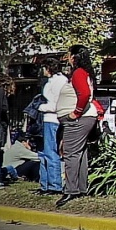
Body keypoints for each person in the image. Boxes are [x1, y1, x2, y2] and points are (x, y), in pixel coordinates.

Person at [57, 45, 100, 208]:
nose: (67, 58)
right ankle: (80, 188)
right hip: (84, 119)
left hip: (79, 120)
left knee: (71, 154)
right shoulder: (83, 73)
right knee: (80, 153)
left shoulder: (78, 73)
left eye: (68, 55)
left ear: (74, 57)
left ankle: (71, 190)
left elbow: (85, 94)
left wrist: (76, 113)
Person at [37, 56, 73, 195]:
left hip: (53, 118)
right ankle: (45, 184)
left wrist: (42, 107)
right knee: (43, 153)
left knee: (51, 152)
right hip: (46, 119)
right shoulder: (52, 81)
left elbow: (58, 103)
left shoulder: (59, 81)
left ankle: (55, 185)